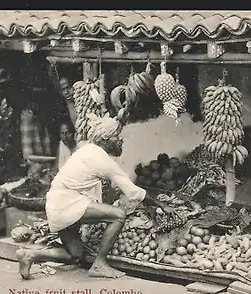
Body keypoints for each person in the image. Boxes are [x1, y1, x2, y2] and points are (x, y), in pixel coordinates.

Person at [16, 113, 175, 280]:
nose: (121, 141)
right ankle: (99, 263)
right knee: (118, 216)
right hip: (66, 205)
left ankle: (30, 255)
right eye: (116, 137)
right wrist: (161, 205)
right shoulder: (101, 159)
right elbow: (132, 191)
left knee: (76, 255)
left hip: (58, 205)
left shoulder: (87, 150)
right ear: (105, 141)